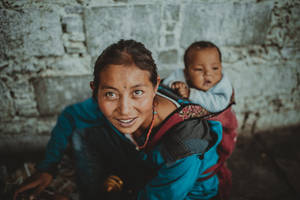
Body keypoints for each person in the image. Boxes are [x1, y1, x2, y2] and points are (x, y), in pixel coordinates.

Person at [14, 39, 224, 200]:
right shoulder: (106, 104)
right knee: (83, 132)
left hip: (181, 192)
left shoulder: (186, 144)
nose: (124, 110)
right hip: (143, 163)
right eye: (111, 94)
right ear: (95, 90)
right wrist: (47, 169)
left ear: (155, 87)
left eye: (138, 92)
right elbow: (71, 116)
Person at [163, 41, 238, 199]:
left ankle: (205, 178)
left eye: (215, 68)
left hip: (216, 126)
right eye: (199, 69)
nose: (208, 74)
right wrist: (174, 84)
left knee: (206, 159)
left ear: (221, 67)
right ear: (187, 71)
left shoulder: (223, 85)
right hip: (192, 127)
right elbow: (166, 84)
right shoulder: (181, 75)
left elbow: (219, 104)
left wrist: (191, 94)